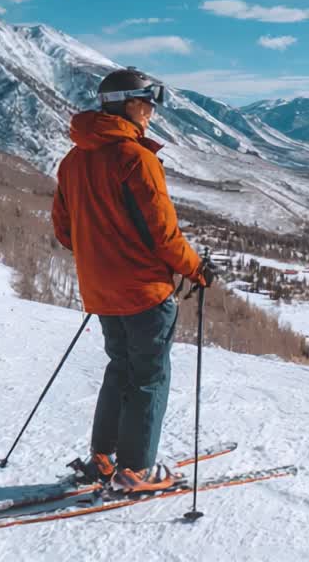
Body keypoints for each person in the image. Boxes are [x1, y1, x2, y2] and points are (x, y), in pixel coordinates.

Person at [52, 67, 214, 493]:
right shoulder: (136, 158)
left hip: (100, 291)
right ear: (131, 104)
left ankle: (103, 458)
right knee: (149, 377)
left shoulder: (73, 160)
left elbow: (65, 232)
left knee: (120, 369)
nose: (152, 114)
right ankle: (138, 469)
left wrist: (103, 252)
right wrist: (197, 269)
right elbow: (164, 234)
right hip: (143, 290)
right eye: (149, 104)